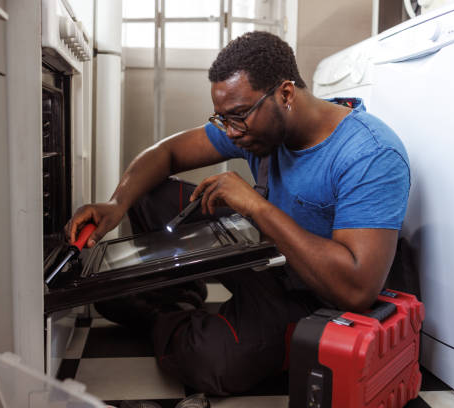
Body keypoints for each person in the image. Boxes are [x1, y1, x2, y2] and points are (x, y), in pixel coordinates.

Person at [66, 31, 410, 396]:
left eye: (239, 116)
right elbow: (165, 153)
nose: (231, 131)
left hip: (313, 296)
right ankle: (181, 298)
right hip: (265, 256)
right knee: (145, 193)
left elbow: (355, 290)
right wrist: (117, 203)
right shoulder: (257, 128)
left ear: (286, 94)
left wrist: (256, 206)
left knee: (212, 364)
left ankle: (163, 313)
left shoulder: (370, 154)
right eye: (222, 119)